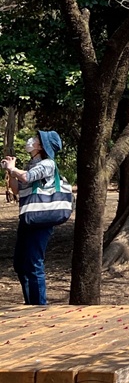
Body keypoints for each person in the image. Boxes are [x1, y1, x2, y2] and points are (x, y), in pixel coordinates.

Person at [3, 130, 64, 305]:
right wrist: (10, 171)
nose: (32, 140)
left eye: (37, 139)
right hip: (29, 218)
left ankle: (38, 307)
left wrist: (14, 169)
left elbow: (27, 177)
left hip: (41, 220)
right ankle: (31, 303)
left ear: (41, 146)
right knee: (20, 263)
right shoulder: (32, 164)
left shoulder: (48, 164)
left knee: (33, 262)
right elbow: (17, 189)